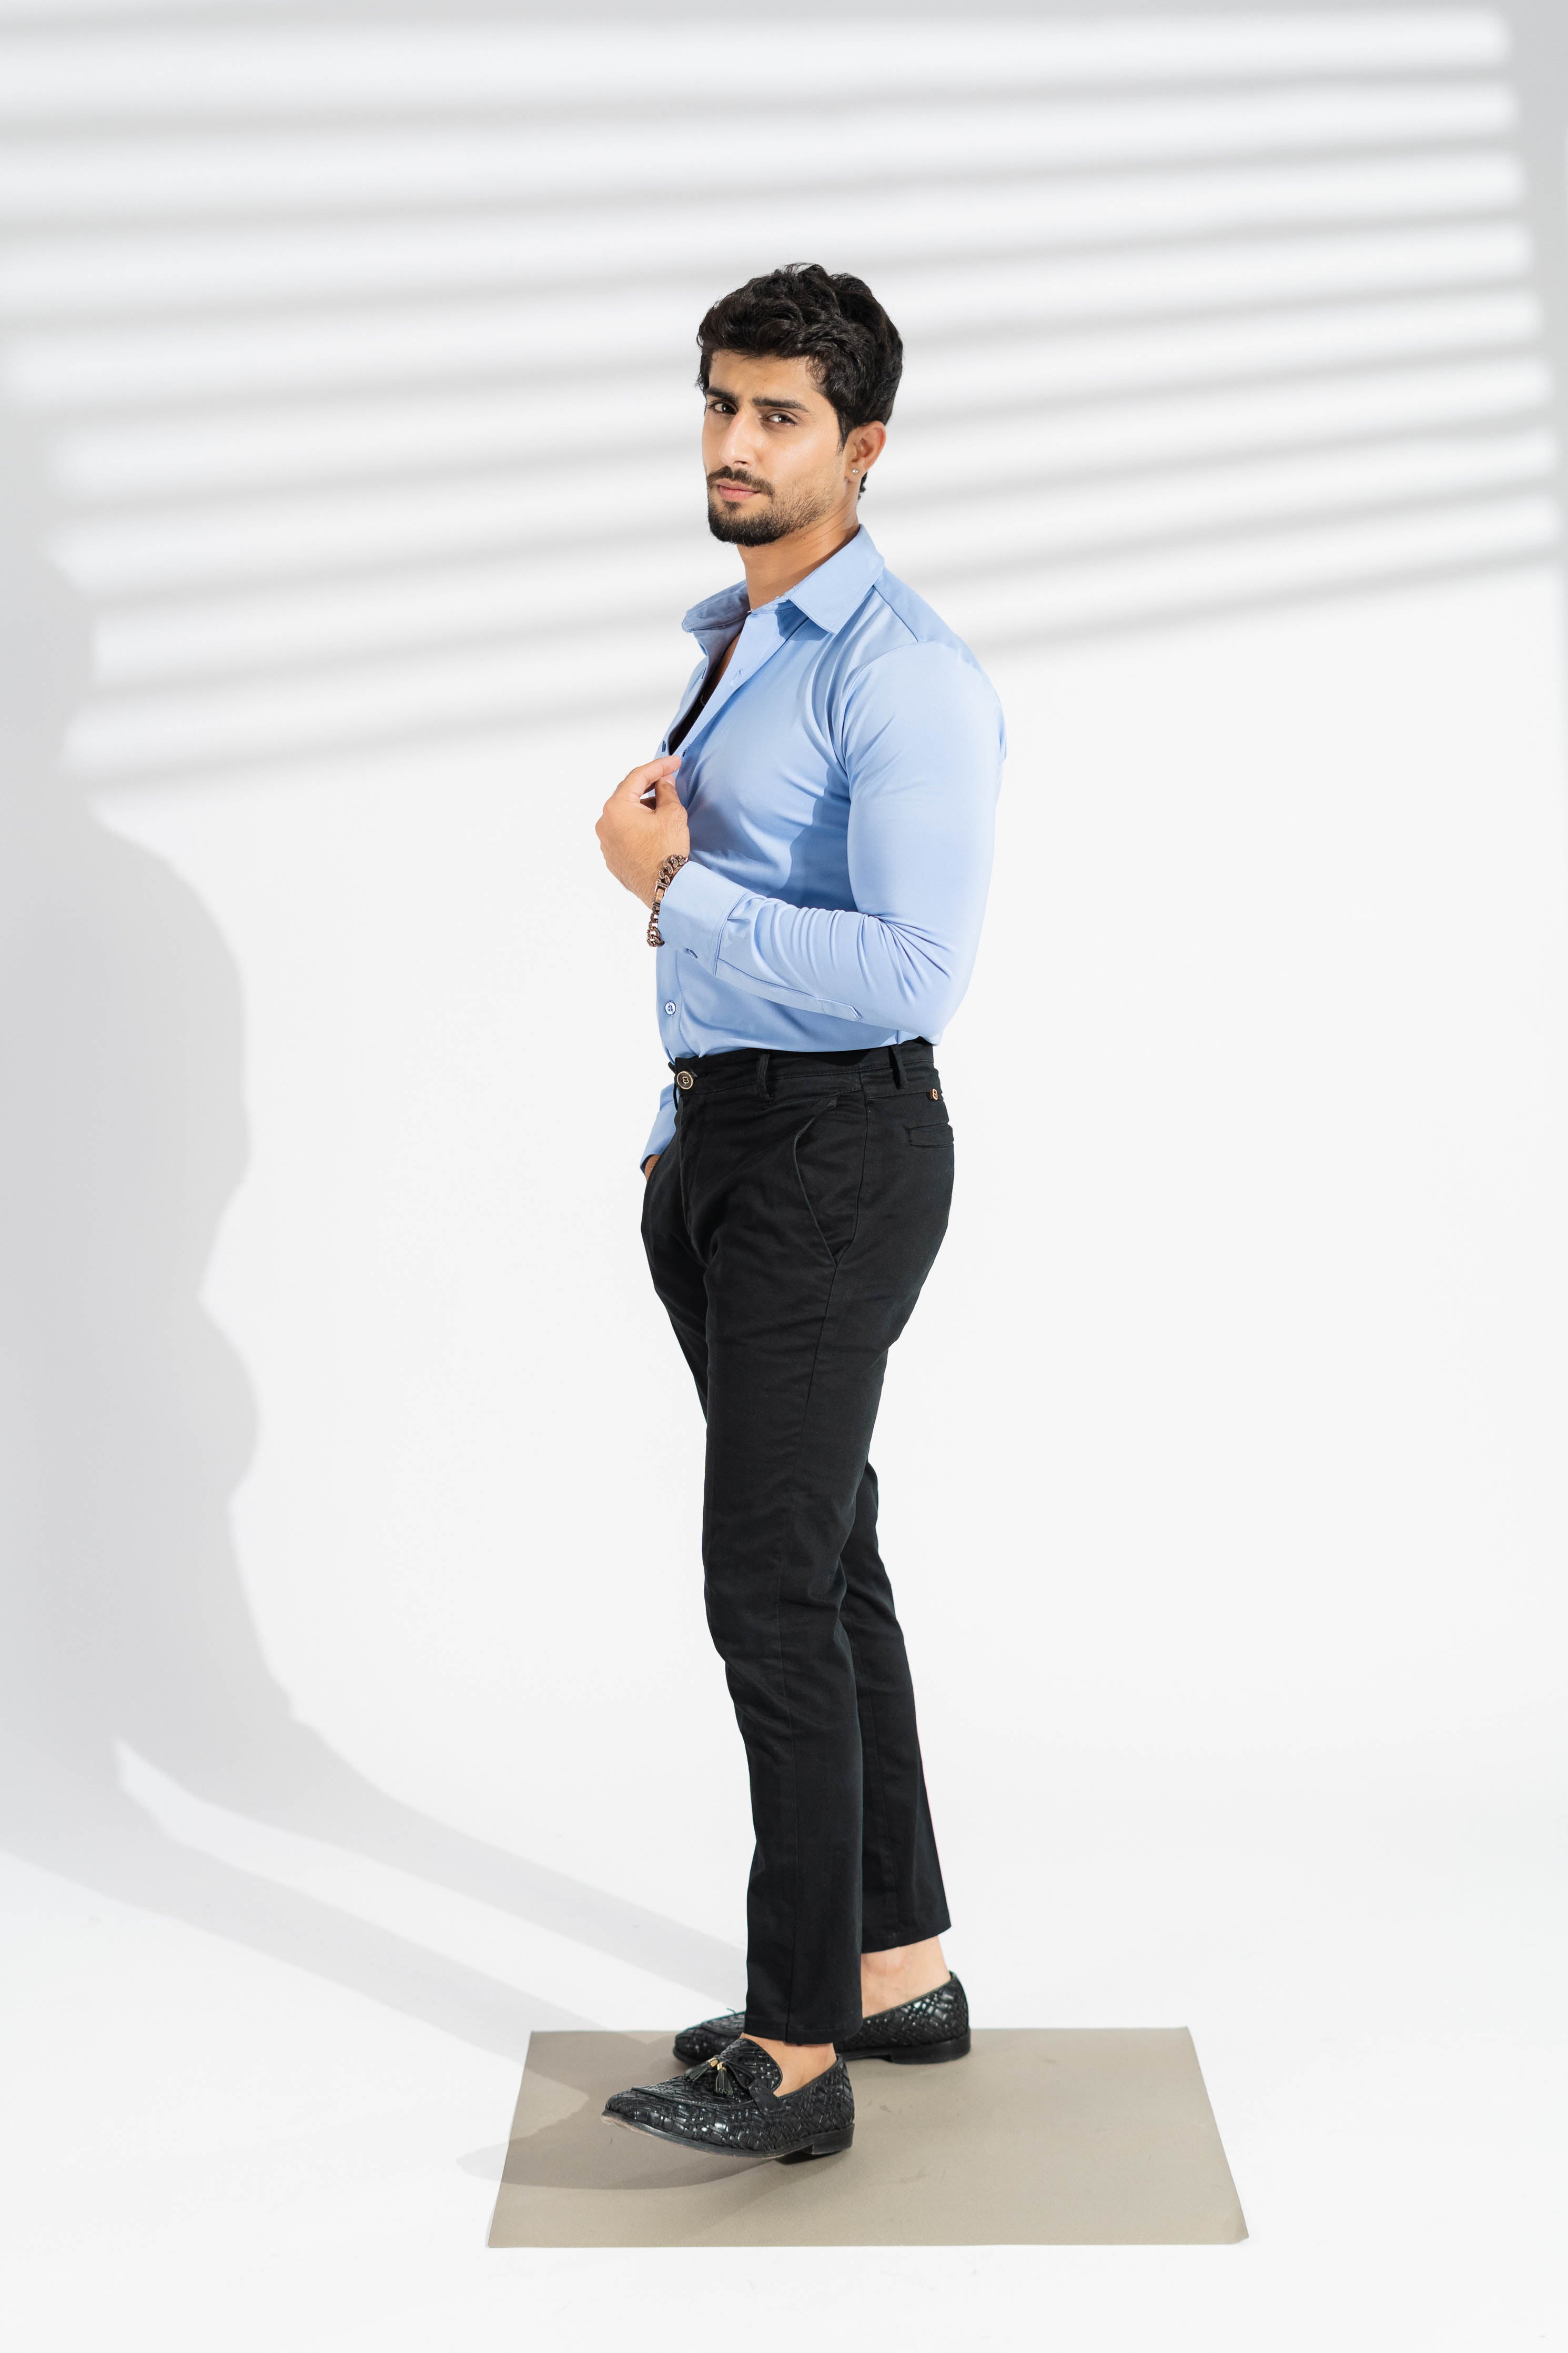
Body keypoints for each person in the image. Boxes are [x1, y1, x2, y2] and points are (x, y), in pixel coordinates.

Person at [593, 264, 1005, 2165]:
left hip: (839, 1153)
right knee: (827, 1563)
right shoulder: (739, 635)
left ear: (867, 446)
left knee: (766, 1584)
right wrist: (682, 1132)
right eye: (721, 404)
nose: (736, 444)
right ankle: (893, 1969)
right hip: (737, 1148)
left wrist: (669, 890)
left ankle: (796, 2054)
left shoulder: (898, 669)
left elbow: (914, 972)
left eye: (780, 416)